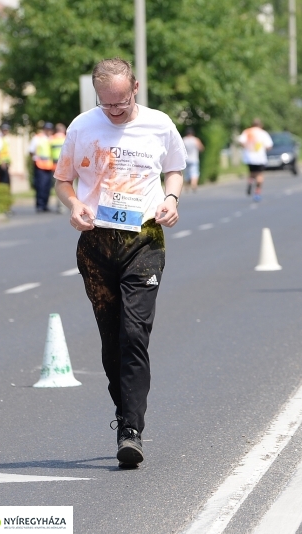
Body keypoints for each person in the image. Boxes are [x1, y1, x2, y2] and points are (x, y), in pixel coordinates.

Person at [54, 57, 187, 469]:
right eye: (106, 104)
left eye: (122, 102)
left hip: (143, 241)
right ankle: (123, 413)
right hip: (96, 246)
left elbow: (175, 169)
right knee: (112, 340)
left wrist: (170, 199)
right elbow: (63, 181)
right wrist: (74, 205)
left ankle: (131, 430)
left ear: (136, 88)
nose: (115, 110)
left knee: (134, 333)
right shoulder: (82, 126)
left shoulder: (159, 124)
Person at [238, 118, 273, 202]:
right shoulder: (263, 133)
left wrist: (247, 147)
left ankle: (250, 181)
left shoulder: (247, 132)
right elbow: (269, 146)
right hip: (260, 157)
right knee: (259, 175)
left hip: (249, 157)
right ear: (260, 125)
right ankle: (257, 193)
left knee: (251, 172)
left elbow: (241, 142)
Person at [30, 122, 56, 212]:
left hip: (49, 166)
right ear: (44, 129)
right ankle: (40, 205)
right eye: (47, 129)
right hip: (40, 166)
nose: (49, 131)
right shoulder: (37, 138)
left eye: (50, 129)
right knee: (40, 186)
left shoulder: (52, 139)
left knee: (48, 186)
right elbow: (31, 151)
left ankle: (45, 205)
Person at [182, 127, 205, 192]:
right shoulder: (195, 140)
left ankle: (186, 186)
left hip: (186, 159)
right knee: (194, 172)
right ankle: (193, 184)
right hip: (194, 159)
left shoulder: (184, 140)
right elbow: (201, 148)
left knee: (186, 173)